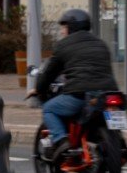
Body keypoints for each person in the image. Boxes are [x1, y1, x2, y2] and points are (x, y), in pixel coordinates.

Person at [31, 8, 117, 159]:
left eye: (64, 27)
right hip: (109, 93)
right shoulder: (101, 43)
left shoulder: (63, 45)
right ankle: (119, 142)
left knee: (49, 109)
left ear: (71, 27)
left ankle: (61, 140)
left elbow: (49, 73)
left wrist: (39, 89)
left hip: (81, 94)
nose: (62, 31)